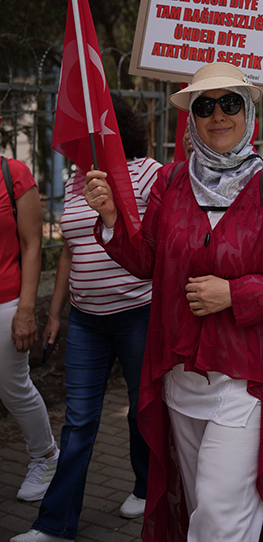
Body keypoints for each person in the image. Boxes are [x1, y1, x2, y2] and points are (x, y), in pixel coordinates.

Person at [83, 63, 263, 542]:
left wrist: (235, 293)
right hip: (180, 373)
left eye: (230, 102)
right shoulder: (170, 183)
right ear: (192, 117)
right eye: (204, 104)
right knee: (197, 507)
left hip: (247, 376)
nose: (218, 114)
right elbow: (148, 260)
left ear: (249, 111)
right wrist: (110, 217)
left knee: (218, 515)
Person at [11, 94, 161, 542]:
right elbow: (72, 254)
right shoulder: (77, 181)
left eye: (92, 127)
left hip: (139, 313)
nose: (82, 139)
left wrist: (115, 206)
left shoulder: (148, 172)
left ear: (117, 128)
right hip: (86, 320)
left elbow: (158, 242)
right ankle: (55, 524)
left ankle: (146, 484)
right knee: (78, 420)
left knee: (142, 410)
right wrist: (55, 314)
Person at [0, 108, 59, 502]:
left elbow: (32, 245)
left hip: (6, 301)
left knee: (13, 388)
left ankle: (45, 456)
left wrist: (26, 310)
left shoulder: (14, 174)